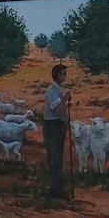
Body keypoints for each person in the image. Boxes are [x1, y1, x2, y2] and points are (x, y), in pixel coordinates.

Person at [43, 62, 71, 198]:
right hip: (53, 126)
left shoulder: (57, 90)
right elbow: (57, 110)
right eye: (63, 73)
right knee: (55, 158)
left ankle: (56, 189)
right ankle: (55, 190)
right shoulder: (53, 91)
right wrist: (65, 98)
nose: (65, 76)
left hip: (57, 126)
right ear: (57, 75)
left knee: (57, 158)